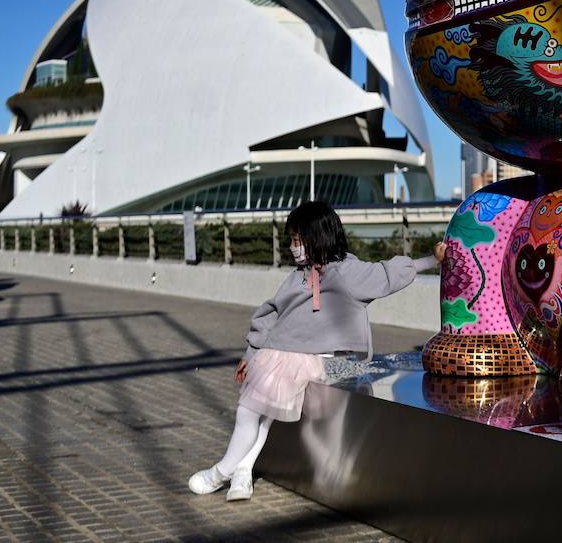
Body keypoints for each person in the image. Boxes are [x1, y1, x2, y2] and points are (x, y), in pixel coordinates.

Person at [188, 200, 442, 501]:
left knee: (253, 411)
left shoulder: (348, 272)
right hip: (282, 357)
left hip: (325, 362)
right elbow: (270, 317)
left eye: (297, 240)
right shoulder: (296, 277)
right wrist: (249, 356)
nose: (293, 247)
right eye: (291, 241)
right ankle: (241, 474)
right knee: (257, 413)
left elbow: (387, 275)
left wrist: (431, 259)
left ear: (316, 236)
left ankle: (222, 472)